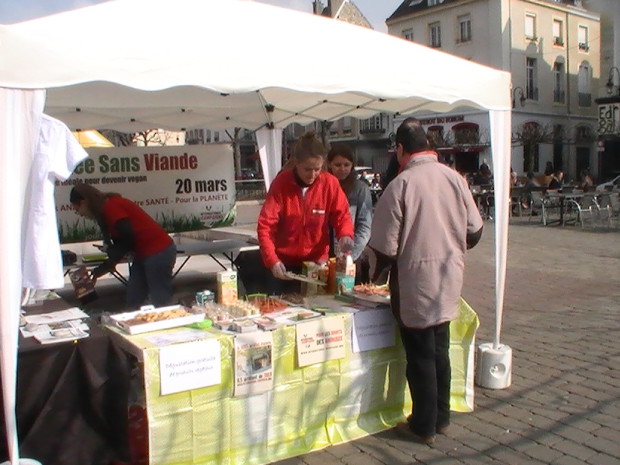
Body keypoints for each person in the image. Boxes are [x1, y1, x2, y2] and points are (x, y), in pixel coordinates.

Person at [368, 118, 483, 445]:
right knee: (440, 350)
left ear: (400, 149)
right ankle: (442, 417)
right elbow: (475, 231)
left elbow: (385, 248)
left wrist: (372, 276)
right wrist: (450, 245)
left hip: (415, 282)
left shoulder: (400, 185)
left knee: (420, 356)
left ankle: (423, 424)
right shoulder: (455, 178)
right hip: (449, 278)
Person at [257, 132, 354, 294]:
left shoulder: (329, 183)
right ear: (296, 163)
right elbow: (265, 226)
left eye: (317, 169)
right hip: (285, 264)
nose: (313, 175)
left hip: (317, 263)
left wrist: (345, 234)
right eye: (307, 169)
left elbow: (342, 215)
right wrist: (272, 260)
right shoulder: (281, 183)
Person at [69, 183, 176, 308]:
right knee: (134, 298)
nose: (80, 214)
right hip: (142, 254)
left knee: (160, 298)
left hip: (158, 251)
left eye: (77, 210)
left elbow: (127, 239)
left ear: (83, 202)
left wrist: (106, 264)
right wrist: (101, 268)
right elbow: (123, 242)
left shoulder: (112, 207)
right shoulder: (104, 210)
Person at [326, 143, 373, 282]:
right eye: (338, 165)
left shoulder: (360, 189)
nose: (342, 169)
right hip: (325, 253)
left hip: (350, 255)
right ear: (329, 165)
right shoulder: (324, 186)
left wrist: (351, 255)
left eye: (346, 165)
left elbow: (365, 225)